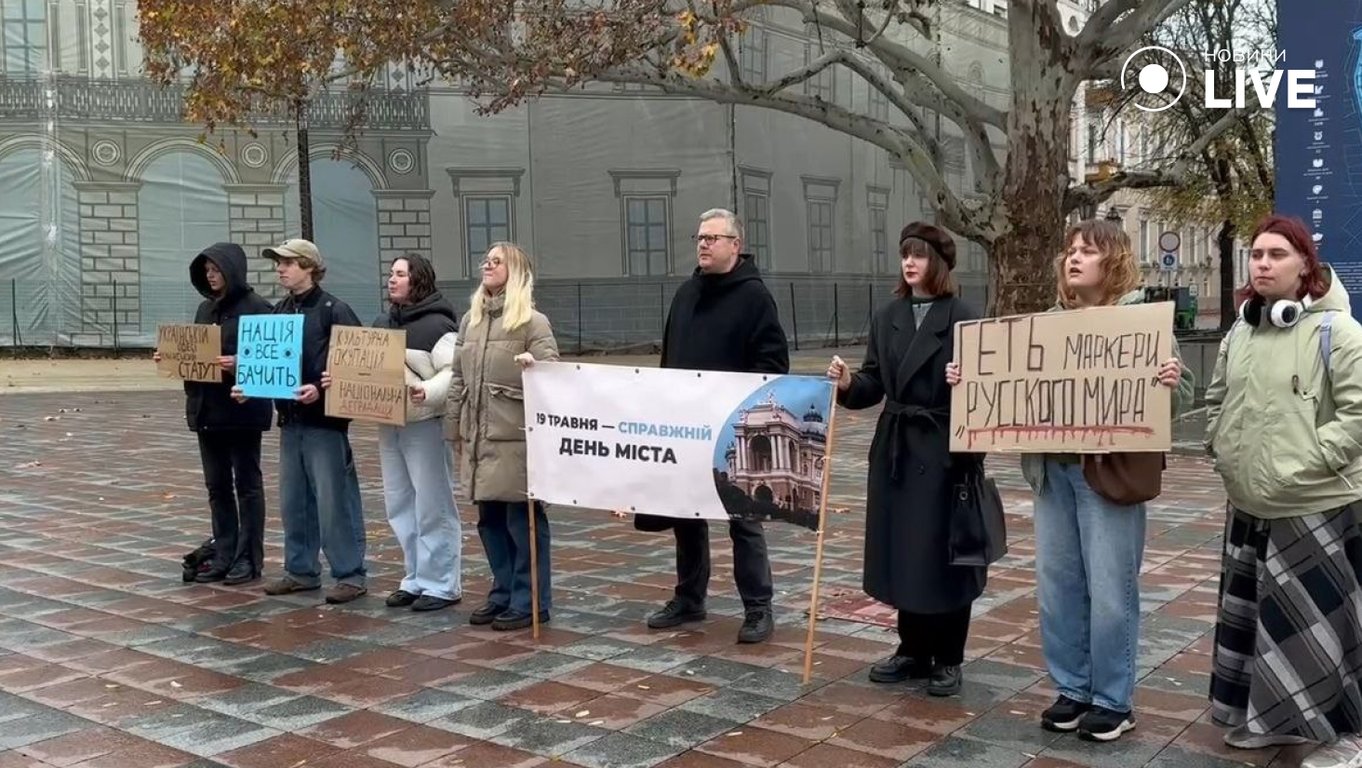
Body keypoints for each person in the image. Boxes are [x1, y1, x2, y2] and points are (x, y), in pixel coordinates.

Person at [948, 219, 1192, 742]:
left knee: (1109, 590)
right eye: (1069, 250)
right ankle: (1072, 688)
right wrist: (969, 378)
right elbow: (1016, 386)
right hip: (1052, 473)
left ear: (1115, 262)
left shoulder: (1140, 323)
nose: (1073, 258)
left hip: (1107, 475)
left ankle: (1112, 699)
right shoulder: (1047, 326)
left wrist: (1170, 382)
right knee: (1058, 588)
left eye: (1088, 250)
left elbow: (1183, 399)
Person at [1205, 214, 1362, 768]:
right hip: (1248, 501)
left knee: (1319, 624)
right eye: (1256, 255)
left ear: (1305, 268)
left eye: (1277, 255)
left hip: (1312, 504)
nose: (1263, 264)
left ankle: (1343, 735)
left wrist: (1305, 464)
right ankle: (1267, 720)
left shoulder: (1338, 332)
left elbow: (1357, 414)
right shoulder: (1242, 330)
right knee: (1257, 620)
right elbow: (1218, 398)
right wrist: (1218, 444)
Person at [826, 222, 984, 697]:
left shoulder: (964, 316)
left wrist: (967, 381)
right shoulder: (887, 315)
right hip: (897, 447)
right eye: (904, 255)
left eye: (918, 255)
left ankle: (948, 657)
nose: (909, 263)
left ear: (938, 263)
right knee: (904, 553)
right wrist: (849, 384)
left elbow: (989, 390)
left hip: (944, 452)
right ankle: (912, 649)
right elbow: (875, 381)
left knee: (946, 554)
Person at [637, 208, 789, 645]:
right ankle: (689, 597)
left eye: (712, 238)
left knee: (744, 518)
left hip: (733, 429)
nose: (703, 244)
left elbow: (773, 364)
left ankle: (758, 607)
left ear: (735, 245)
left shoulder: (756, 298)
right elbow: (670, 361)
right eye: (699, 237)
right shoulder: (685, 294)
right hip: (685, 428)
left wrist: (732, 402)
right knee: (687, 514)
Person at [323, 253, 462, 611]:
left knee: (433, 505)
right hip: (390, 424)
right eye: (391, 273)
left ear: (419, 279)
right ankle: (414, 578)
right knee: (400, 503)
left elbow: (452, 373)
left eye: (400, 274)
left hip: (425, 424)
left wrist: (427, 392)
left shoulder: (438, 326)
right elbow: (364, 368)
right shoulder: (383, 322)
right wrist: (339, 381)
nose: (392, 279)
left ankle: (442, 583)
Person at [233, 238, 368, 604]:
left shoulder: (333, 310)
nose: (280, 268)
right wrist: (252, 387)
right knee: (294, 501)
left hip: (325, 423)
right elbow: (271, 364)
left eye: (288, 262)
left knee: (333, 500)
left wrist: (322, 390)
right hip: (290, 421)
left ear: (309, 266)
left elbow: (357, 369)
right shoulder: (280, 312)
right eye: (279, 263)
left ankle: (350, 573)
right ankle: (301, 569)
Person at [444, 242, 559, 631]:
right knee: (489, 521)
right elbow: (459, 377)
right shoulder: (470, 321)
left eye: (497, 261)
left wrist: (535, 365)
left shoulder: (532, 322)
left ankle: (531, 600)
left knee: (521, 521)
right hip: (480, 437)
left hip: (516, 437)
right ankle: (503, 591)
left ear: (516, 271)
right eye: (486, 260)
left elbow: (553, 373)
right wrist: (454, 426)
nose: (487, 266)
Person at [156, 242, 273, 585]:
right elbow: (194, 355)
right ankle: (223, 552)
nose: (211, 275)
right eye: (206, 270)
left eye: (216, 269)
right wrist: (170, 359)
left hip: (241, 410)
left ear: (232, 271)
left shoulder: (258, 309)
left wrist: (239, 363)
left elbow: (272, 361)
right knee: (217, 486)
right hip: (207, 411)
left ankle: (248, 558)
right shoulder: (204, 310)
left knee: (247, 486)